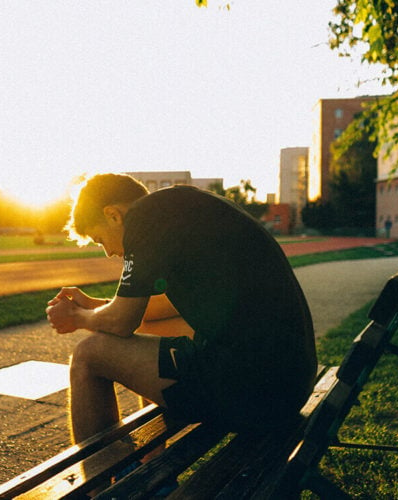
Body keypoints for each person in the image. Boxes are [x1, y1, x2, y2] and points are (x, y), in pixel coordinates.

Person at [46, 173, 317, 445]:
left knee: (88, 355)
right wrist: (95, 307)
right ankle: (154, 467)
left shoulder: (143, 219)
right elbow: (155, 310)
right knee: (151, 329)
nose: (109, 252)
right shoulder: (181, 209)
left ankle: (102, 485)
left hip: (255, 392)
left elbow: (121, 322)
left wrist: (78, 317)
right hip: (290, 381)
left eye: (100, 239)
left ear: (113, 215)